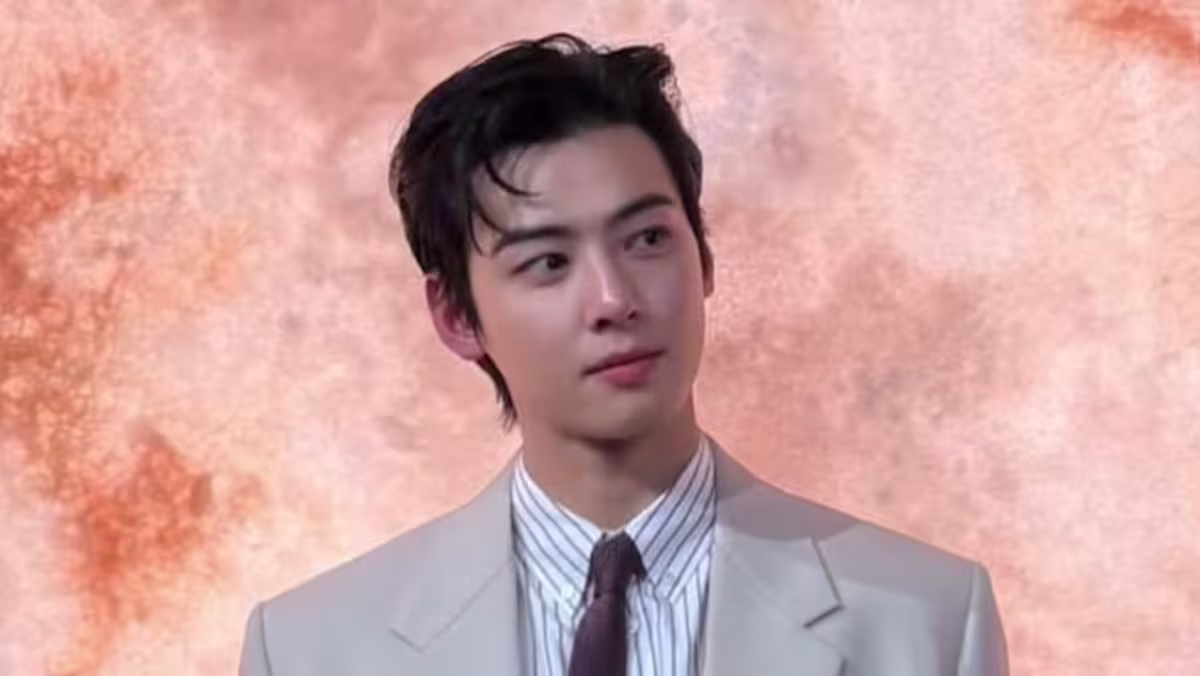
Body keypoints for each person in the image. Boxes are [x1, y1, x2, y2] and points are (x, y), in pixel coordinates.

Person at [238, 32, 1008, 676]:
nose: (614, 298)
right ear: (457, 316)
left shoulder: (927, 621)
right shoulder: (312, 648)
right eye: (548, 262)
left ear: (704, 258)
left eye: (646, 239)